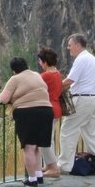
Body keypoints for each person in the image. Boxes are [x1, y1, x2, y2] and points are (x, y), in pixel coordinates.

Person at [0, 56, 54, 187]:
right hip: (46, 110)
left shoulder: (15, 79)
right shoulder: (36, 74)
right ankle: (39, 175)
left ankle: (32, 179)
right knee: (36, 146)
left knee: (28, 147)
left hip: (28, 113)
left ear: (14, 70)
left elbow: (3, 99)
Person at [57, 33, 95, 175]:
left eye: (70, 45)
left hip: (82, 100)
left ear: (77, 45)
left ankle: (64, 165)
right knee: (91, 134)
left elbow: (70, 80)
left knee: (68, 130)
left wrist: (53, 88)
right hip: (93, 98)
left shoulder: (81, 60)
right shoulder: (91, 58)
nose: (68, 48)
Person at [37, 46, 64, 178]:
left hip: (47, 108)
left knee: (44, 140)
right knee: (49, 139)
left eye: (40, 61)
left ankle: (53, 167)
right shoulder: (57, 74)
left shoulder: (46, 75)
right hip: (56, 107)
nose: (40, 64)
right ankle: (49, 164)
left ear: (45, 62)